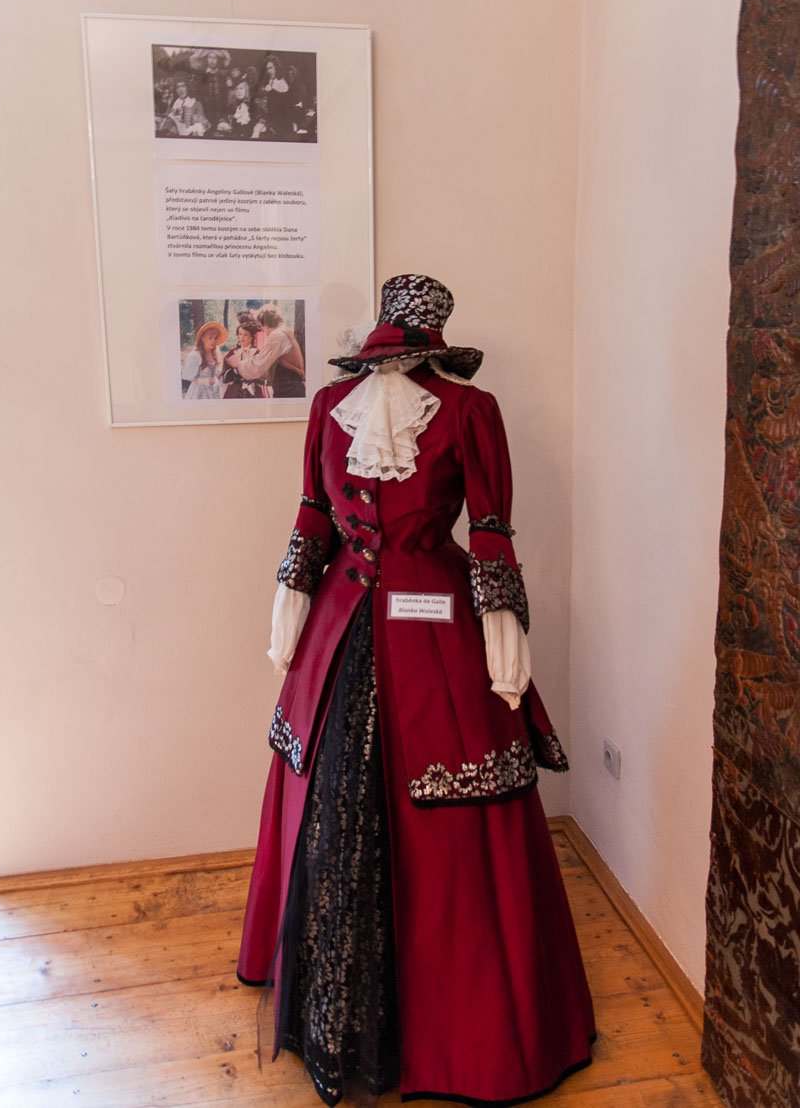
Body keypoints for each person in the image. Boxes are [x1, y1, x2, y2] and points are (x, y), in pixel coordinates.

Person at [237, 275, 596, 1106]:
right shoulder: (330, 407)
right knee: (330, 791)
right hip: (350, 621)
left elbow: (490, 528)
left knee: (441, 789)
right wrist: (291, 609)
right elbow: (313, 516)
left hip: (429, 618)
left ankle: (453, 1028)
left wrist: (504, 641)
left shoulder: (469, 411)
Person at [225, 304, 305, 398]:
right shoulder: (284, 332)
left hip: (289, 390)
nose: (262, 330)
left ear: (266, 323)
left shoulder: (277, 335)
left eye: (262, 326)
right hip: (289, 388)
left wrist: (238, 365)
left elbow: (259, 364)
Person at [220, 317, 271, 398]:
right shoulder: (233, 352)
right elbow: (225, 371)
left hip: (254, 388)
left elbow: (262, 373)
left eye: (245, 335)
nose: (242, 337)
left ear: (251, 337)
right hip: (235, 389)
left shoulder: (256, 353)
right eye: (240, 334)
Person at [181, 321, 226, 399]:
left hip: (214, 390)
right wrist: (202, 381)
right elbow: (187, 376)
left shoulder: (215, 353)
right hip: (200, 391)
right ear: (203, 338)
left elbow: (219, 366)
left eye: (215, 338)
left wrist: (218, 371)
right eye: (210, 338)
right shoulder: (195, 355)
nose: (213, 341)